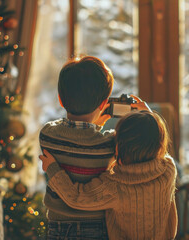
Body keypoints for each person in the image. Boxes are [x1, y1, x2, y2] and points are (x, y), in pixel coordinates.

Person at [39, 56, 148, 239]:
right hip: (97, 226)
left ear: (60, 98)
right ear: (103, 104)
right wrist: (146, 113)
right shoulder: (110, 144)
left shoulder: (47, 135)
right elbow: (143, 139)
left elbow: (78, 138)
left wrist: (94, 125)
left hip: (57, 226)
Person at [40, 111, 178, 240]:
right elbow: (156, 141)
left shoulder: (115, 186)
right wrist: (147, 116)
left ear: (117, 148)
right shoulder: (168, 170)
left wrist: (53, 169)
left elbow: (76, 197)